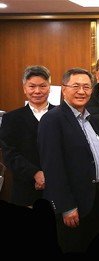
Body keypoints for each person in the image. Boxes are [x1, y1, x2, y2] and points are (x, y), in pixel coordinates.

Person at [38, 68, 99, 253]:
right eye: (76, 86)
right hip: (74, 204)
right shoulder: (52, 119)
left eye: (87, 87)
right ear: (64, 89)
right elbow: (52, 167)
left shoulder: (90, 119)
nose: (82, 91)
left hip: (96, 200)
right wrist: (66, 206)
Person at [0, 65, 55, 206]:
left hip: (58, 187)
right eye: (32, 86)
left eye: (42, 86)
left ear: (49, 87)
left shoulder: (61, 115)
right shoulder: (11, 118)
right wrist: (35, 173)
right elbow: (9, 154)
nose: (37, 91)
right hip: (24, 189)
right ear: (25, 88)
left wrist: (49, 176)